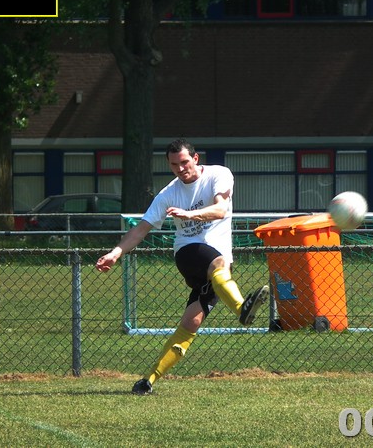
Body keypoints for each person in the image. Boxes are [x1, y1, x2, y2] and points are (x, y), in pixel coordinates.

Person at [95, 138, 269, 395]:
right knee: (219, 263)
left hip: (218, 269)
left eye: (184, 162)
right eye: (174, 164)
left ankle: (148, 380)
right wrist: (116, 252)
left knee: (191, 322)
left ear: (195, 159)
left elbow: (221, 209)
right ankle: (242, 309)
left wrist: (190, 214)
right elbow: (141, 229)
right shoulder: (168, 193)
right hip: (189, 252)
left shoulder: (219, 175)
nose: (180, 168)